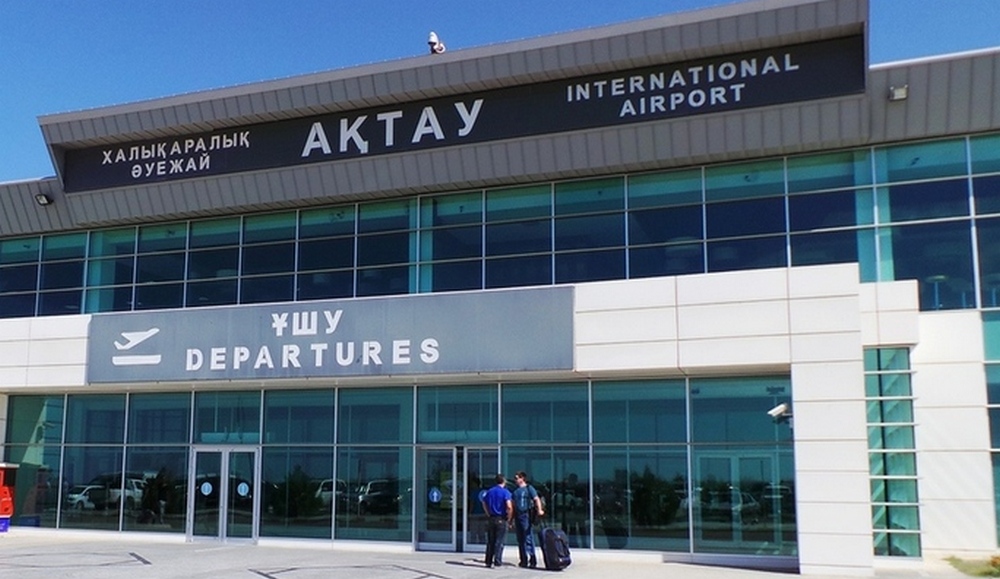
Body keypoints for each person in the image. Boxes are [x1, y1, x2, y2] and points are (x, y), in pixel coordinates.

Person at [512, 471, 545, 568]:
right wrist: (511, 519)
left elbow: (536, 499)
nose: (515, 480)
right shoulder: (515, 491)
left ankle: (532, 559)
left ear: (522, 478)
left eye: (517, 478)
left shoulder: (529, 488)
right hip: (517, 515)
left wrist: (539, 510)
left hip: (525, 515)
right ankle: (523, 559)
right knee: (520, 539)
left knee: (528, 537)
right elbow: (513, 504)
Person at [480, 473, 512, 568]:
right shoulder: (505, 492)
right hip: (501, 518)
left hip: (492, 518)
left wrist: (488, 513)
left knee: (491, 541)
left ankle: (488, 561)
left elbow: (484, 502)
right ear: (504, 481)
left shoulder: (490, 491)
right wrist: (509, 517)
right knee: (499, 541)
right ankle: (497, 560)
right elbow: (509, 506)